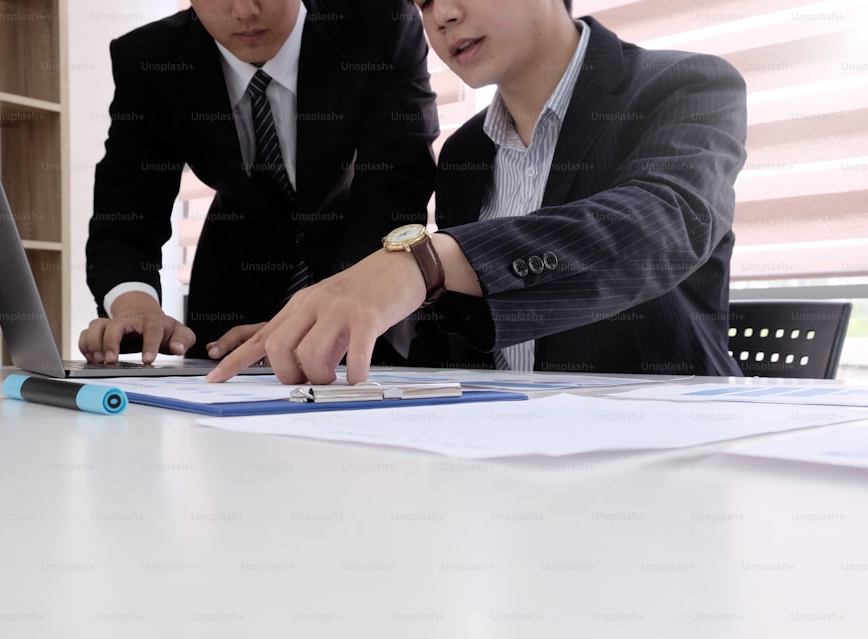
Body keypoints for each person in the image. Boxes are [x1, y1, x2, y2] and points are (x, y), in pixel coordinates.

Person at [208, 0, 748, 385]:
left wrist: (429, 258)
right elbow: (456, 331)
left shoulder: (685, 84)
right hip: (508, 457)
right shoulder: (466, 151)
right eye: (423, 3)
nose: (441, 16)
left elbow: (668, 220)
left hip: (665, 442)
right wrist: (329, 331)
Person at [80, 0, 439, 365]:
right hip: (230, 302)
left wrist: (321, 315)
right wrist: (135, 305)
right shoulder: (150, 59)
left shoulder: (380, 23)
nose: (243, 11)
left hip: (361, 272)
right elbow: (125, 216)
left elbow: (397, 184)